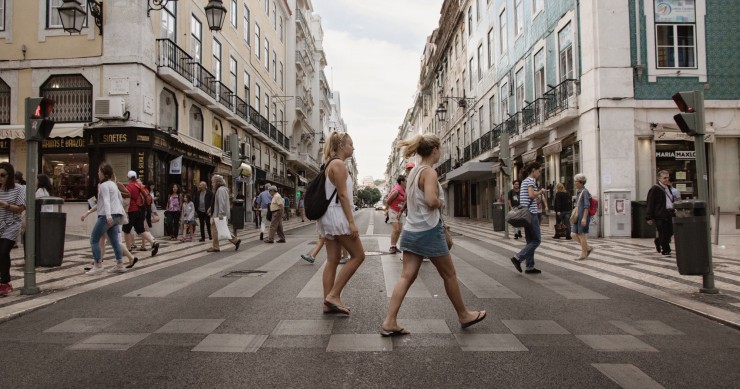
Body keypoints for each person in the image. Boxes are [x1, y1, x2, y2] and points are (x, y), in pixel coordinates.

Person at [381, 134, 486, 336]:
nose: (441, 152)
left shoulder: (412, 173)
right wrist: (441, 202)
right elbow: (430, 200)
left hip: (411, 230)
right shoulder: (429, 172)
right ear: (435, 150)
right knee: (449, 274)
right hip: (429, 231)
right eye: (441, 148)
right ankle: (464, 314)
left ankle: (390, 321)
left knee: (406, 276)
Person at [316, 132, 366, 315]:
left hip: (329, 217)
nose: (353, 147)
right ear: (342, 146)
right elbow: (343, 195)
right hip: (337, 216)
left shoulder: (331, 163)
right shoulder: (338, 164)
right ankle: (334, 295)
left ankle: (327, 302)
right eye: (351, 144)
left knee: (332, 260)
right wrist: (351, 222)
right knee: (358, 255)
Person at [86, 163, 127, 275]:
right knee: (115, 241)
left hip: (106, 216)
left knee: (94, 239)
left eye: (99, 171)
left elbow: (107, 201)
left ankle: (98, 265)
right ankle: (120, 264)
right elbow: (120, 200)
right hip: (117, 215)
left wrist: (108, 216)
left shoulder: (103, 185)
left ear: (104, 173)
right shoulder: (113, 184)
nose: (98, 173)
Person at [510, 162, 544, 274]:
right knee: (537, 240)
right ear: (533, 170)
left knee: (530, 240)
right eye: (539, 170)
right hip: (531, 213)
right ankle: (518, 257)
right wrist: (540, 192)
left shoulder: (524, 181)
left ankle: (529, 266)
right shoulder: (530, 180)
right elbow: (531, 195)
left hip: (525, 213)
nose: (539, 173)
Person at [0, 163, 26, 296]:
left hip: (11, 224)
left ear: (9, 176)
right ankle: (5, 281)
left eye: (3, 175)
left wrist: (6, 204)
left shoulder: (19, 189)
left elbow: (21, 208)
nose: (0, 178)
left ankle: (5, 283)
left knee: (3, 251)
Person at [122, 171, 159, 257]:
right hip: (141, 210)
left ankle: (128, 249)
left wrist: (125, 211)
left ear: (128, 177)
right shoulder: (140, 185)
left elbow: (127, 201)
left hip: (132, 211)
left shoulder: (129, 187)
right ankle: (153, 242)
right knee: (141, 230)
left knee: (126, 230)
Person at [207, 174, 241, 252]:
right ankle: (235, 241)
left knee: (215, 230)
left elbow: (222, 203)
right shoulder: (220, 189)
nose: (212, 183)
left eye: (213, 182)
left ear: (217, 182)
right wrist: (210, 208)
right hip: (217, 213)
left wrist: (221, 214)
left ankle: (216, 247)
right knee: (222, 229)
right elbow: (216, 202)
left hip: (218, 214)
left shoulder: (221, 190)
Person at [647, 170, 676, 256]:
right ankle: (666, 249)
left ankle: (658, 240)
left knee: (671, 231)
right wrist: (649, 217)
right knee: (663, 231)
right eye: (664, 178)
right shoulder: (655, 188)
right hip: (660, 214)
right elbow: (650, 203)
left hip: (670, 213)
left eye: (668, 177)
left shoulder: (669, 188)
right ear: (659, 178)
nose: (667, 179)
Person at [572, 174, 593, 260]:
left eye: (576, 181)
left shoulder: (585, 192)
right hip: (577, 217)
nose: (574, 183)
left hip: (582, 217)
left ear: (581, 182)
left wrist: (584, 218)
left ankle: (583, 253)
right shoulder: (579, 192)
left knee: (581, 235)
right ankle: (588, 248)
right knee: (573, 234)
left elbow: (586, 206)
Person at [386, 175, 407, 254]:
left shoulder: (404, 190)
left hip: (400, 211)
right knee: (396, 229)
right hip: (393, 210)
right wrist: (387, 211)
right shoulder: (396, 191)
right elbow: (388, 201)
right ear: (401, 182)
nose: (407, 182)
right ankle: (392, 247)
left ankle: (395, 246)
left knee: (399, 230)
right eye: (406, 181)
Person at [139, 181, 159, 251]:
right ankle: (145, 245)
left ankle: (152, 241)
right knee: (144, 229)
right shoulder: (146, 192)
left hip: (145, 211)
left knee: (144, 229)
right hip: (147, 211)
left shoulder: (144, 192)